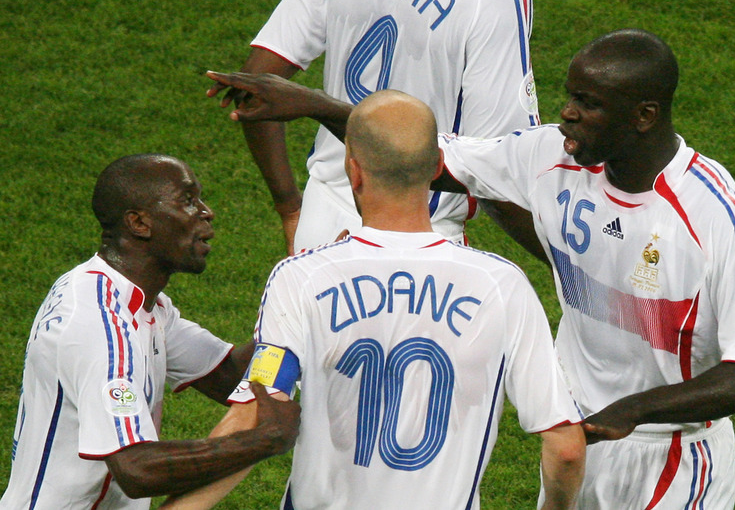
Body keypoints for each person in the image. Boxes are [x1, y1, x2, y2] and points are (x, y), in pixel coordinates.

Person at [203, 28, 735, 508]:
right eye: (570, 95)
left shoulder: (716, 218)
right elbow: (424, 160)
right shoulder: (553, 156)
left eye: (588, 104)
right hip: (581, 439)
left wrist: (634, 411)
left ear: (644, 115)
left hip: (673, 458)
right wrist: (313, 104)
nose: (567, 113)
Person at [170, 90, 585, 509]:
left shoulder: (302, 277)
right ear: (437, 168)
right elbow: (566, 447)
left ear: (353, 171)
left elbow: (256, 412)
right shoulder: (501, 284)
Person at [0, 154, 300, 509]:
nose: (207, 212)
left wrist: (296, 302)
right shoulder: (98, 323)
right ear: (139, 223)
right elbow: (136, 469)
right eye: (188, 201)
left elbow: (230, 376)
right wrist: (263, 441)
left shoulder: (141, 302)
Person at [208, 0, 543, 257]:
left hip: (321, 223)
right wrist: (565, 261)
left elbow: (255, 82)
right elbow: (503, 163)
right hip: (418, 237)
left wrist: (290, 207)